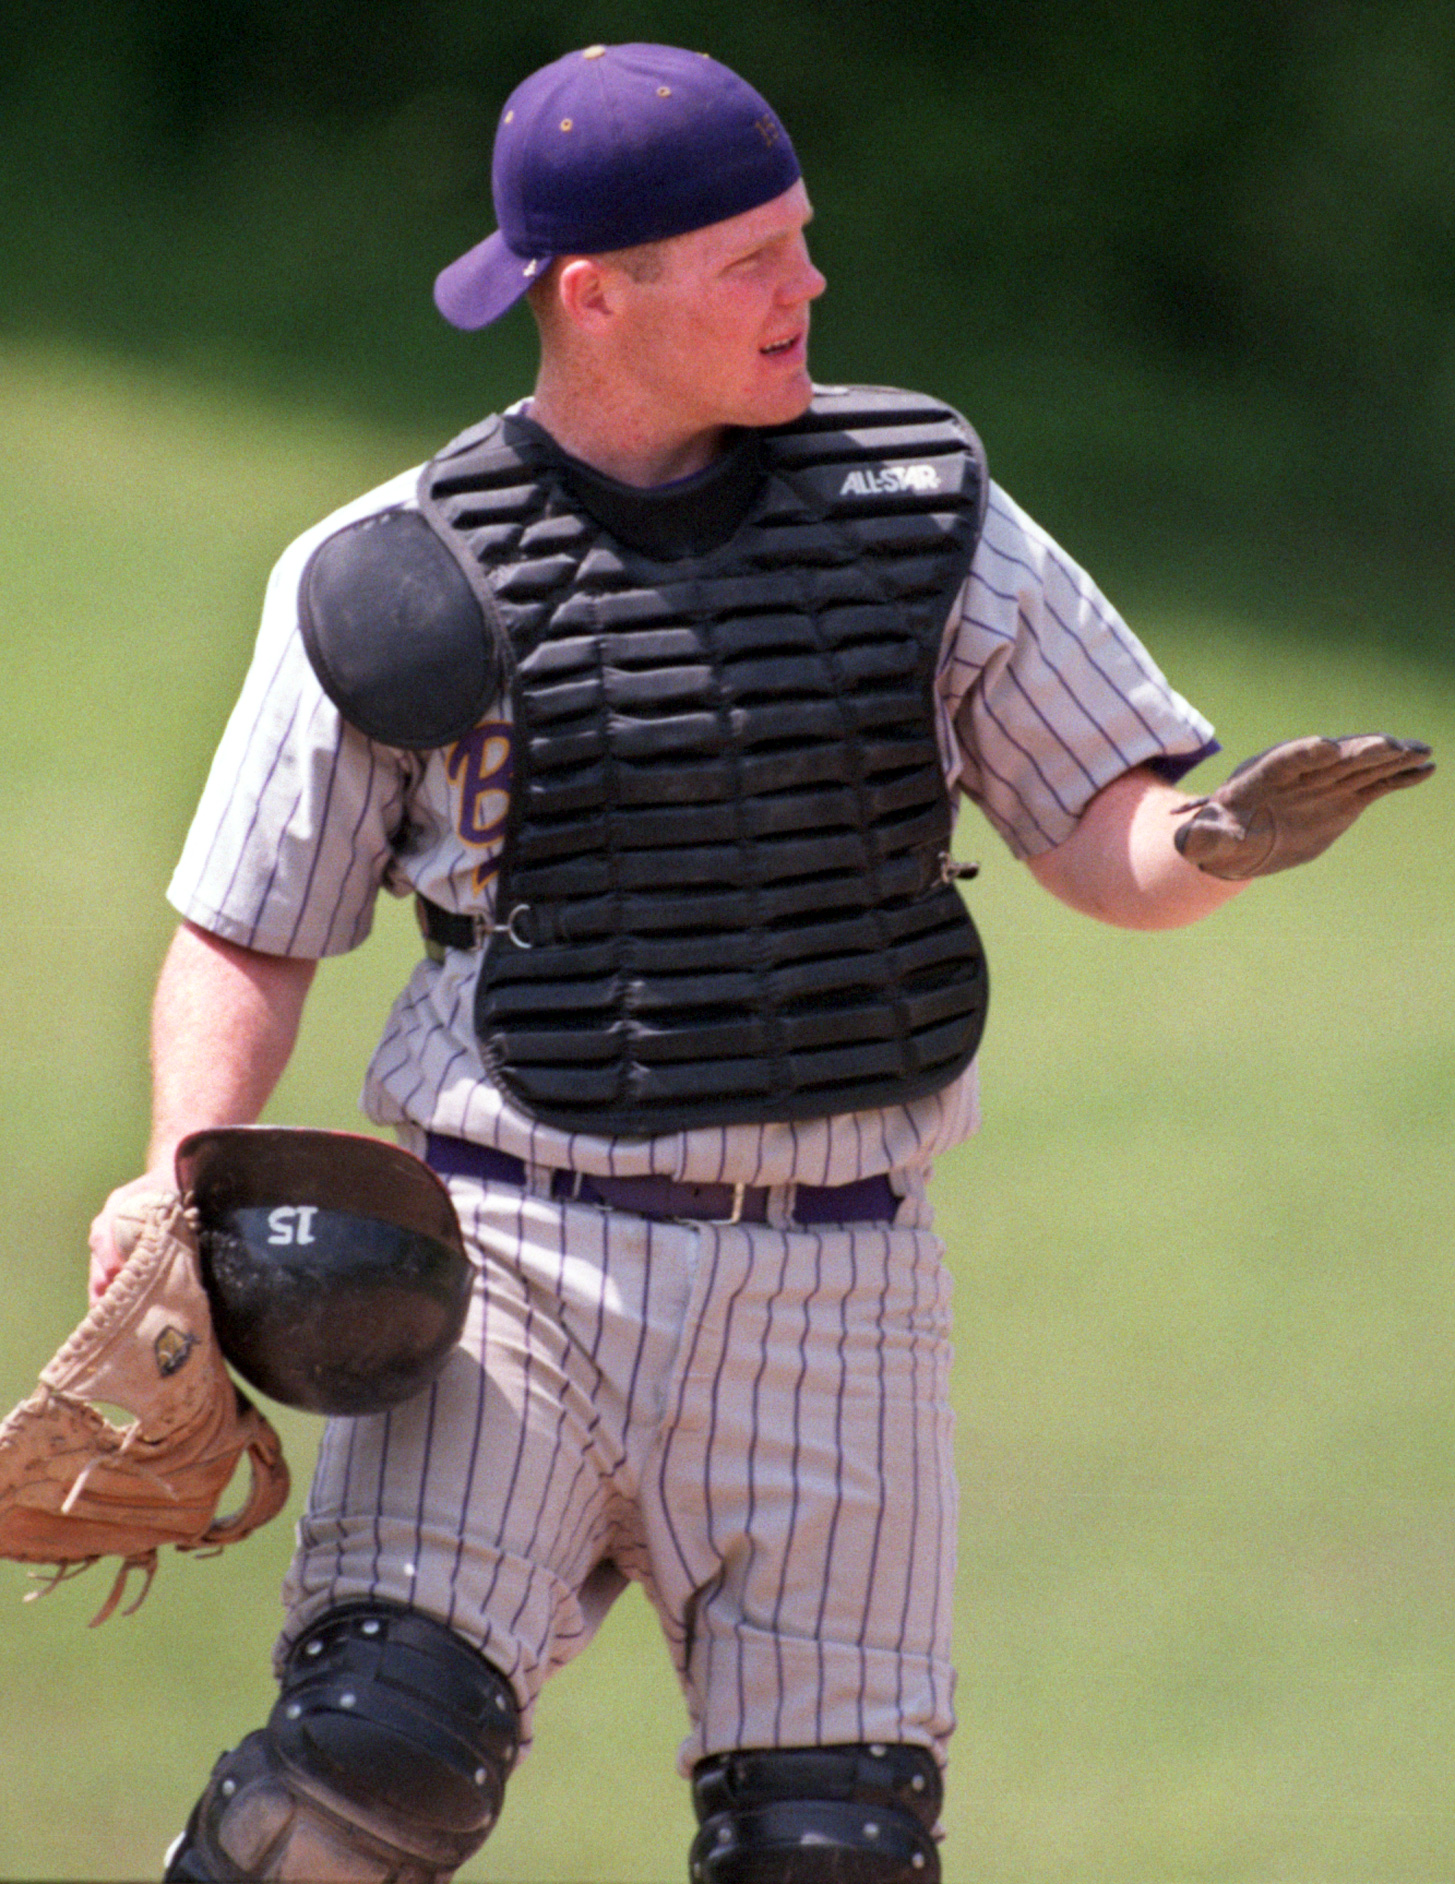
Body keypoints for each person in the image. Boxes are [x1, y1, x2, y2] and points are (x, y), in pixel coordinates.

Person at [87, 42, 1432, 1884]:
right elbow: (247, 926)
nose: (810, 286)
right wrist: (177, 1172)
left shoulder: (921, 509)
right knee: (362, 1773)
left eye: (803, 241)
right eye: (754, 258)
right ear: (594, 294)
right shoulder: (394, 572)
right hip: (515, 1265)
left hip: (841, 1294)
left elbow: (1105, 837)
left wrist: (1215, 842)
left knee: (835, 1849)